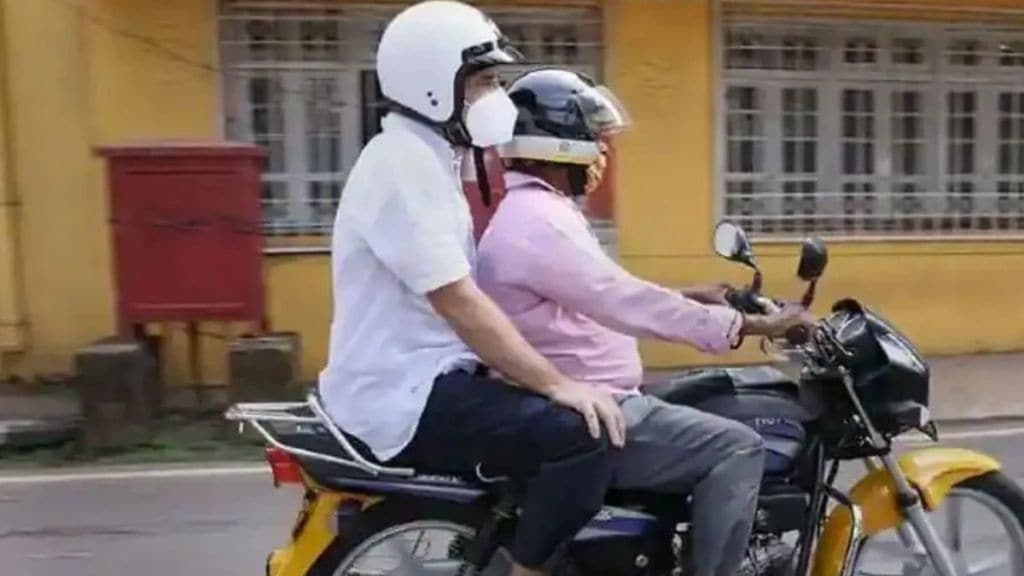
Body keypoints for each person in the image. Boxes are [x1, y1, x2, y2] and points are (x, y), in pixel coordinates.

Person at [317, 4, 626, 576]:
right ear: (434, 86)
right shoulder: (403, 167)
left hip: (420, 378)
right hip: (403, 395)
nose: (495, 98)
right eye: (483, 82)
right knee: (580, 438)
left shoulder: (427, 159)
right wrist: (557, 383)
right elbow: (458, 300)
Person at [475, 68, 814, 576]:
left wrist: (693, 296)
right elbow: (622, 300)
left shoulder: (536, 212)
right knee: (738, 446)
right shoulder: (538, 221)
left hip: (588, 393)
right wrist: (751, 327)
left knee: (696, 400)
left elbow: (595, 296)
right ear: (561, 143)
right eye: (593, 139)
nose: (602, 154)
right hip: (593, 404)